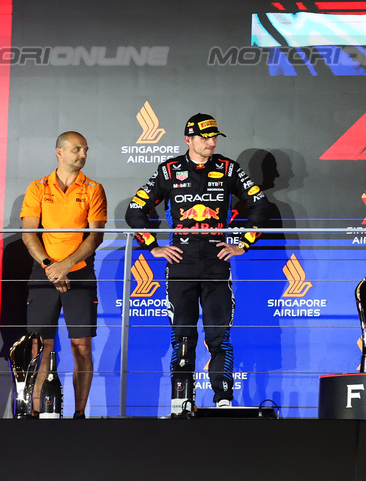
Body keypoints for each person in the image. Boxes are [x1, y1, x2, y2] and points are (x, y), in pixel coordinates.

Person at [126, 113, 268, 412]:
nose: (212, 142)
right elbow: (135, 209)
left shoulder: (229, 168)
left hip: (217, 262)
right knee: (183, 335)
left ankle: (224, 402)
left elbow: (259, 205)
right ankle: (181, 402)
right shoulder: (168, 171)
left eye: (215, 137)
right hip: (181, 262)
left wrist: (244, 243)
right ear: (188, 139)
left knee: (219, 335)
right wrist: (152, 246)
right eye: (205, 137)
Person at [20, 131, 107, 418]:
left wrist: (66, 266)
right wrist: (49, 266)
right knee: (39, 344)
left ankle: (79, 413)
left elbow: (95, 237)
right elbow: (28, 233)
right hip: (44, 273)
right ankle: (34, 412)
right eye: (77, 149)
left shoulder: (93, 188)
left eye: (86, 149)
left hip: (79, 275)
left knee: (81, 345)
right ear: (59, 152)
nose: (83, 154)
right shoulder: (37, 187)